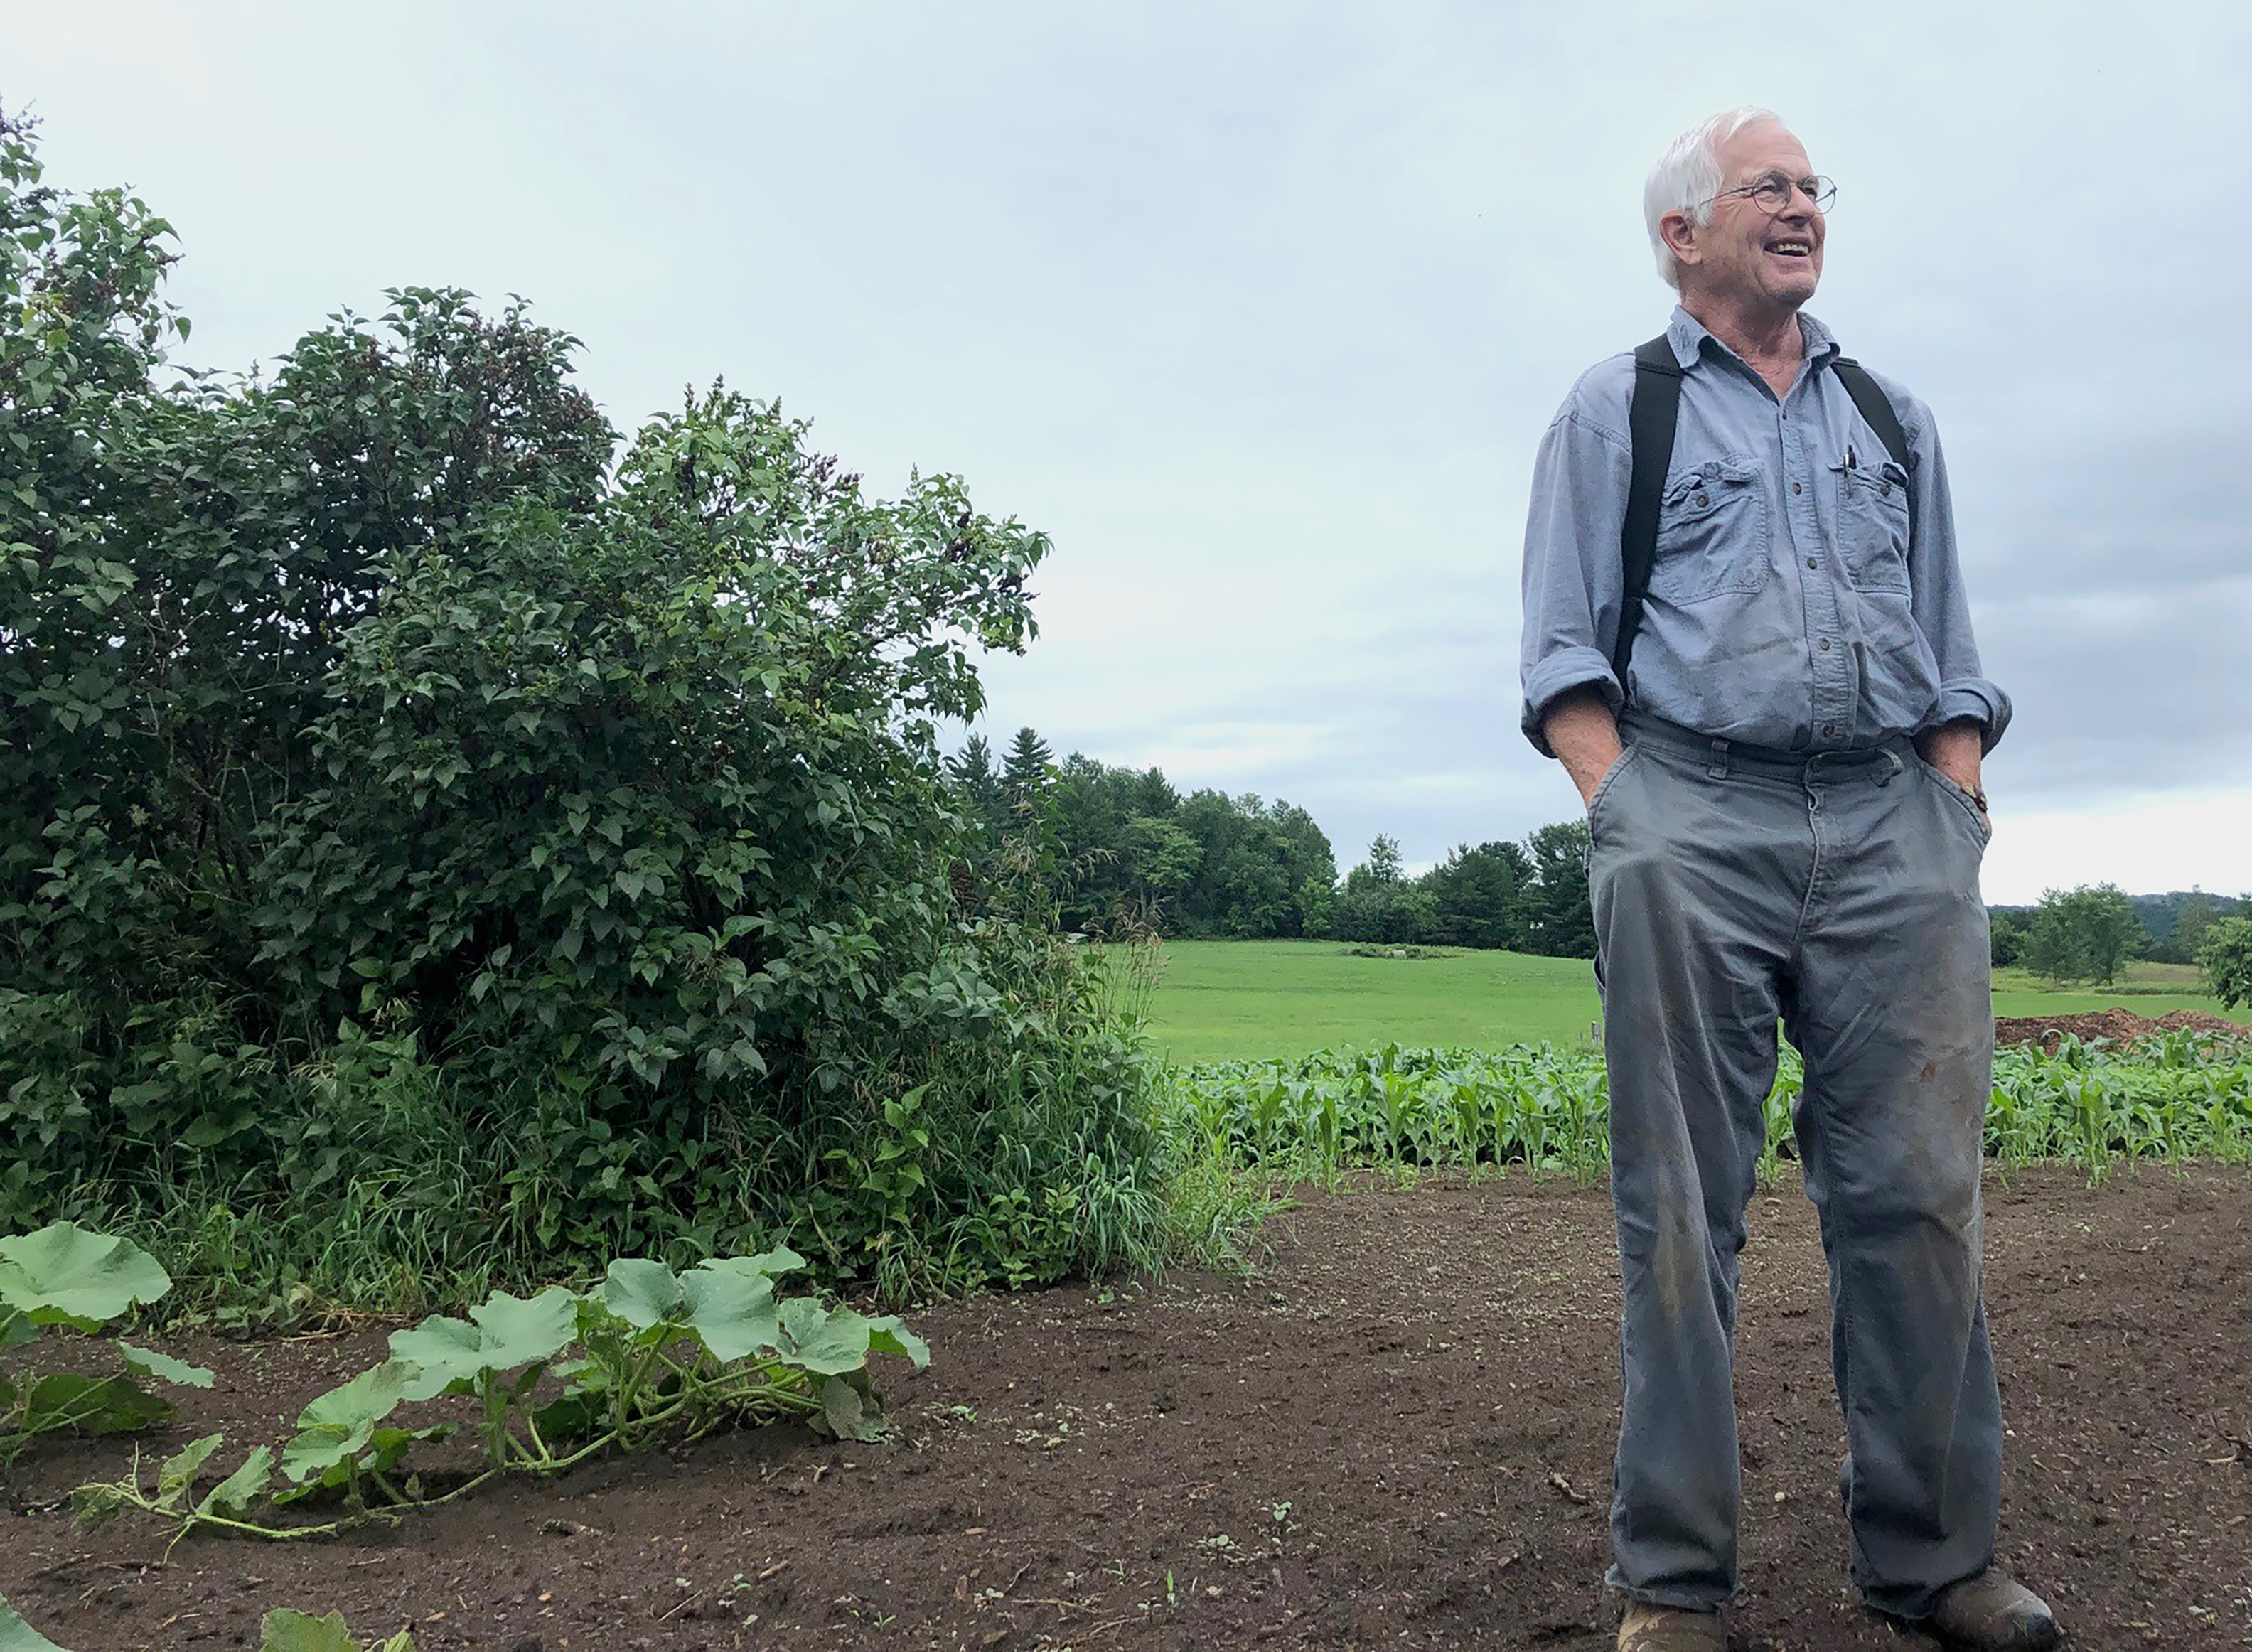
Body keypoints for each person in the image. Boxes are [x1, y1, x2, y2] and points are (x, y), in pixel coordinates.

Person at [1515, 107, 2059, 1652]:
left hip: (1895, 822)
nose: (1803, 208)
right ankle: (1676, 1586)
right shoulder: (1618, 410)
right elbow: (1566, 649)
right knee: (1683, 1210)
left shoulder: (1889, 414)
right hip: (1692, 811)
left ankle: (1938, 1561)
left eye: (1814, 188)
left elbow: (1953, 645)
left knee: (1920, 1199)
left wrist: (1952, 800)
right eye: (1770, 188)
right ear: (1682, 234)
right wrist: (1631, 815)